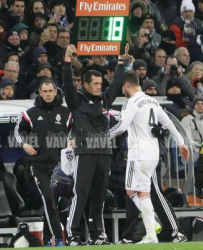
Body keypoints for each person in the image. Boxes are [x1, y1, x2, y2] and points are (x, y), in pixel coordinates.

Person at [109, 70, 190, 244]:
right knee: (142, 193)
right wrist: (181, 142)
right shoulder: (152, 101)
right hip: (153, 154)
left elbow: (122, 126)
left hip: (138, 154)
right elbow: (167, 122)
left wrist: (102, 136)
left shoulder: (132, 101)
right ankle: (151, 234)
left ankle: (152, 225)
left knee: (132, 191)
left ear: (127, 85)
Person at [63, 44, 125, 246]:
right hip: (85, 153)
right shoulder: (77, 101)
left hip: (104, 153)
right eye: (96, 84)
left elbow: (116, 85)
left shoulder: (104, 100)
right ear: (86, 85)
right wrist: (66, 63)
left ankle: (98, 234)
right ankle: (73, 234)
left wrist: (122, 63)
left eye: (100, 83)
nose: (100, 86)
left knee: (99, 196)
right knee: (80, 194)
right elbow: (67, 86)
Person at [14, 78, 71, 247]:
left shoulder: (66, 112)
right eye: (44, 91)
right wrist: (24, 144)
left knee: (59, 202)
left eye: (50, 91)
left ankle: (46, 239)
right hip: (38, 164)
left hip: (60, 165)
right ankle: (59, 239)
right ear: (40, 92)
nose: (47, 94)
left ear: (55, 92)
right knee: (48, 198)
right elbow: (18, 130)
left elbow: (75, 130)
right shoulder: (30, 113)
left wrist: (72, 142)